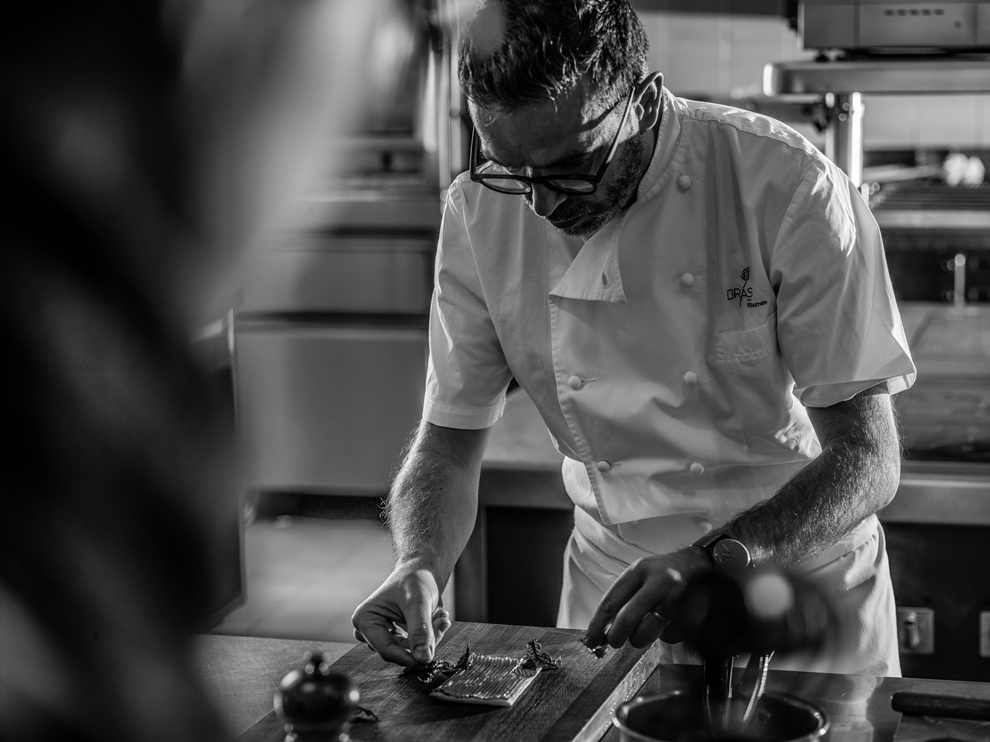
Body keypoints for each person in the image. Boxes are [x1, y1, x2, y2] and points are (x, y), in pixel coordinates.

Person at [351, 0, 916, 677]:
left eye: (571, 167)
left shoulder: (786, 186)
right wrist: (418, 563)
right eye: (511, 169)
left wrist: (718, 559)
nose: (543, 205)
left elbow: (868, 458)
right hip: (614, 604)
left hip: (797, 593)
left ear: (643, 103)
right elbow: (447, 442)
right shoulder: (479, 213)